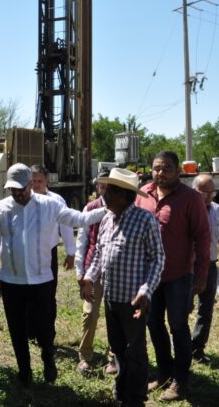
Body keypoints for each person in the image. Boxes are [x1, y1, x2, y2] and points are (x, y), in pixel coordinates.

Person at [0, 163, 106, 387]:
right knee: (17, 328)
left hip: (41, 279)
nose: (17, 194)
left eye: (21, 189)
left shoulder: (50, 204)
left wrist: (107, 210)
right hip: (12, 280)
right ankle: (24, 370)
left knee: (43, 325)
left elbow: (79, 219)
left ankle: (48, 358)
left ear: (31, 184)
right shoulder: (2, 208)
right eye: (12, 190)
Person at [81, 168, 166, 407]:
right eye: (106, 188)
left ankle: (136, 398)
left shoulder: (144, 220)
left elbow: (158, 258)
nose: (104, 193)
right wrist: (89, 276)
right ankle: (122, 389)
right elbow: (99, 253)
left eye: (110, 189)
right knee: (117, 348)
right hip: (111, 298)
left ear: (124, 194)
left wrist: (146, 290)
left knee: (135, 351)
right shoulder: (107, 218)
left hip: (134, 301)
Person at [135, 151, 211, 401]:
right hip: (149, 276)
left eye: (166, 168)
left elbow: (202, 237)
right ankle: (164, 372)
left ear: (178, 171)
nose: (160, 173)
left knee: (178, 326)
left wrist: (201, 276)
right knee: (153, 324)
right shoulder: (143, 194)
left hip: (179, 275)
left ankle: (181, 380)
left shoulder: (190, 198)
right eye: (156, 168)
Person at [75, 169, 116, 375]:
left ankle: (113, 357)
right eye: (101, 184)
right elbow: (82, 241)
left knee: (114, 316)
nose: (104, 188)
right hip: (94, 271)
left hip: (116, 272)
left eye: (107, 184)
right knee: (89, 314)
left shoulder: (123, 206)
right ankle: (85, 356)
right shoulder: (91, 208)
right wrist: (79, 270)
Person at [190, 174, 219, 364]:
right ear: (194, 191)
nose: (208, 196)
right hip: (188, 267)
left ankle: (197, 349)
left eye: (211, 192)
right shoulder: (186, 210)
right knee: (183, 308)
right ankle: (182, 347)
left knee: (206, 310)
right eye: (204, 192)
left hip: (210, 265)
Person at [30, 164, 77, 338]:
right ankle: (31, 332)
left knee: (48, 295)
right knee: (29, 294)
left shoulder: (56, 201)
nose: (35, 184)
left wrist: (71, 252)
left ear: (47, 181)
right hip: (28, 255)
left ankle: (48, 332)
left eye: (39, 181)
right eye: (33, 181)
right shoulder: (23, 199)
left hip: (49, 254)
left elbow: (66, 227)